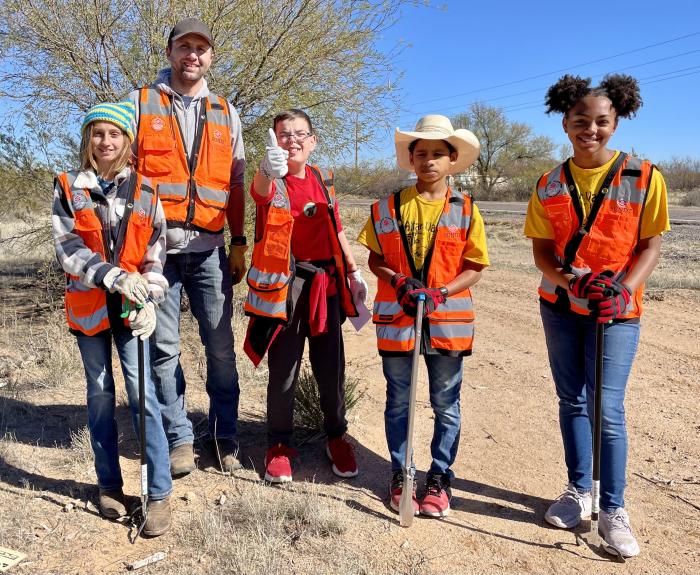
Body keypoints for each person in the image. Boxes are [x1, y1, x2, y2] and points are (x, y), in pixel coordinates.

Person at [524, 74, 670, 558]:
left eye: (601, 122)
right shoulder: (548, 183)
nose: (591, 129)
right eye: (581, 121)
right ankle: (578, 491)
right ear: (565, 123)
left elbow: (651, 245)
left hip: (618, 313)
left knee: (608, 409)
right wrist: (569, 282)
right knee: (572, 400)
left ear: (617, 122)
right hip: (562, 308)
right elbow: (541, 251)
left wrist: (622, 289)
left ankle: (613, 509)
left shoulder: (645, 176)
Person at [128, 18, 247, 476]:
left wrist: (239, 242)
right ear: (170, 52)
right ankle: (178, 438)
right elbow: (123, 178)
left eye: (201, 48)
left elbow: (235, 184)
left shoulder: (226, 112)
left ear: (210, 56)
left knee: (219, 346)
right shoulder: (139, 104)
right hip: (156, 253)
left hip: (211, 251)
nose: (192, 55)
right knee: (163, 348)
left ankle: (224, 435)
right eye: (184, 46)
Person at [358, 115, 489, 518]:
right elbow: (375, 256)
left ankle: (439, 477)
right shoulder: (386, 207)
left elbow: (475, 265)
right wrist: (397, 280)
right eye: (421, 154)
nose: (429, 161)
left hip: (447, 322)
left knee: (445, 403)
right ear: (411, 160)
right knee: (399, 400)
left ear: (452, 159)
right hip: (399, 320)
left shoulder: (466, 210)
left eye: (437, 154)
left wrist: (443, 291)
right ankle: (402, 473)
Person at [52, 102, 172, 536]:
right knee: (100, 393)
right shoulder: (69, 186)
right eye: (98, 134)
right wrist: (114, 276)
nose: (106, 142)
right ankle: (108, 486)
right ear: (88, 139)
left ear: (127, 141)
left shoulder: (146, 190)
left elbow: (157, 253)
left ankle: (158, 493)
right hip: (89, 307)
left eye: (114, 134)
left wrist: (151, 297)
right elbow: (68, 249)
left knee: (143, 394)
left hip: (132, 308)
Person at [243, 109, 368, 483]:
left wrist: (353, 270)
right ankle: (279, 445)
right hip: (286, 287)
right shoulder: (270, 179)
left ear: (313, 141)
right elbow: (259, 194)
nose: (293, 140)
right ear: (274, 141)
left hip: (325, 285)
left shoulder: (322, 179)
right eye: (284, 134)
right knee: (284, 369)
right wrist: (267, 169)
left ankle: (336, 437)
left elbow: (338, 229)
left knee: (332, 368)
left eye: (300, 134)